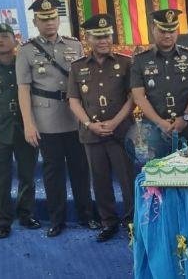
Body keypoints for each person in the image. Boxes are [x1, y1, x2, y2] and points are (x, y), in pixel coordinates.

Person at [16, 0, 98, 237]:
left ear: (58, 19)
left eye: (52, 18)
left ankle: (86, 216)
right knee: (53, 174)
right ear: (35, 21)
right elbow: (23, 89)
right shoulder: (26, 50)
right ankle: (57, 220)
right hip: (46, 120)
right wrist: (28, 124)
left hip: (74, 118)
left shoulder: (75, 45)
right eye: (43, 19)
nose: (49, 22)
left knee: (81, 170)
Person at [68, 14, 136, 242]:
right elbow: (74, 100)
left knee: (127, 181)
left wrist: (115, 122)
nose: (103, 40)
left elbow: (132, 97)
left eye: (106, 35)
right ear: (88, 38)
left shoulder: (126, 63)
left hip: (121, 132)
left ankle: (131, 222)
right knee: (100, 181)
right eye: (97, 36)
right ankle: (108, 222)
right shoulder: (77, 67)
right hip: (92, 133)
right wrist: (89, 124)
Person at [0, 23, 41, 239]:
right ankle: (3, 220)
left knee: (27, 175)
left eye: (5, 36)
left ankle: (26, 214)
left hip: (26, 128)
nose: (0, 41)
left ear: (16, 39)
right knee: (0, 179)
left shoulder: (26, 64)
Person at [131, 9, 188, 159]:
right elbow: (138, 97)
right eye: (162, 31)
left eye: (172, 31)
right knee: (158, 177)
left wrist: (185, 118)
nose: (168, 35)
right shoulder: (140, 60)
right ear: (153, 29)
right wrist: (160, 123)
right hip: (155, 130)